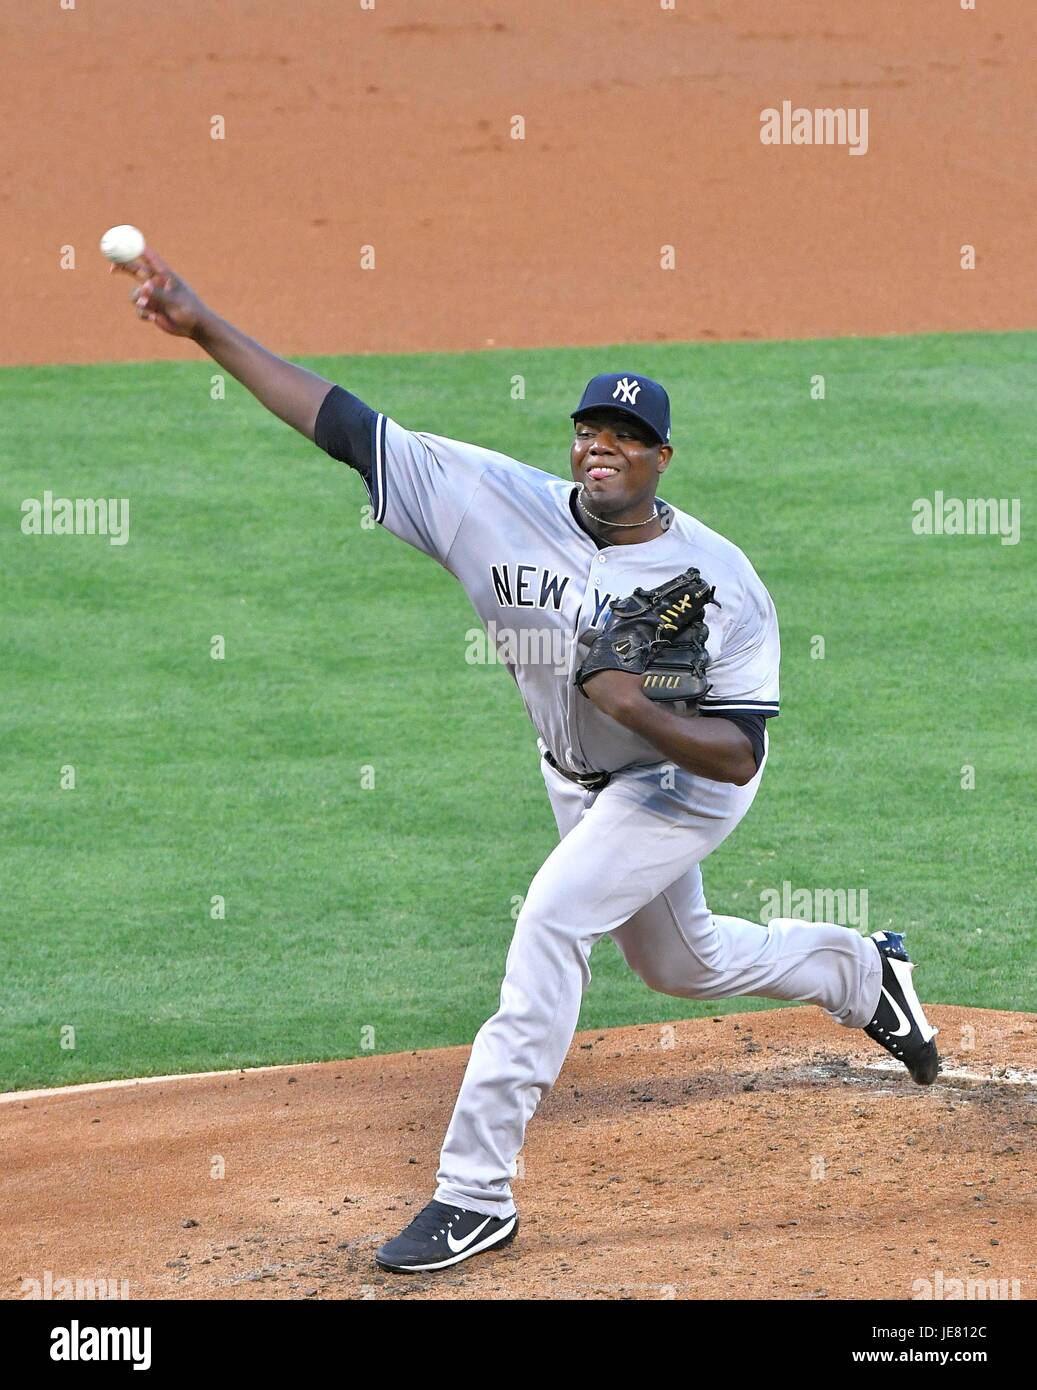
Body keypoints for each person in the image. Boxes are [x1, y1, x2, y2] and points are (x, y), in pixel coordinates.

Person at [116, 250, 940, 1275]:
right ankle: (863, 973)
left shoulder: (719, 582)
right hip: (576, 778)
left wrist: (634, 704)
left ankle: (473, 1193)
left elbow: (736, 755)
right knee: (679, 963)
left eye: (629, 439)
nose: (605, 448)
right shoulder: (486, 497)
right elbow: (342, 423)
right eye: (592, 429)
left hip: (680, 787)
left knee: (552, 918)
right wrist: (202, 326)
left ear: (662, 459)